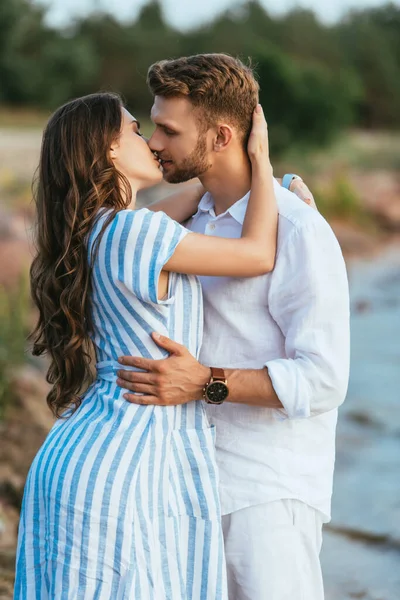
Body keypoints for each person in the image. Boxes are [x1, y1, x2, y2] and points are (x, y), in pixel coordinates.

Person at [14, 91, 280, 599]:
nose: (152, 143)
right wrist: (262, 160)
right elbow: (257, 254)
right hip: (122, 467)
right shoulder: (136, 233)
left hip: (91, 454)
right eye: (136, 130)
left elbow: (185, 204)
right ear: (108, 151)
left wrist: (258, 178)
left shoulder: (97, 229)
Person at [117, 54, 351, 600]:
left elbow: (323, 380)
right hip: (188, 487)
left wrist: (204, 382)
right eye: (152, 125)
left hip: (266, 496)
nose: (154, 142)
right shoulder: (189, 222)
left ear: (222, 136)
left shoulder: (298, 231)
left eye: (168, 130)